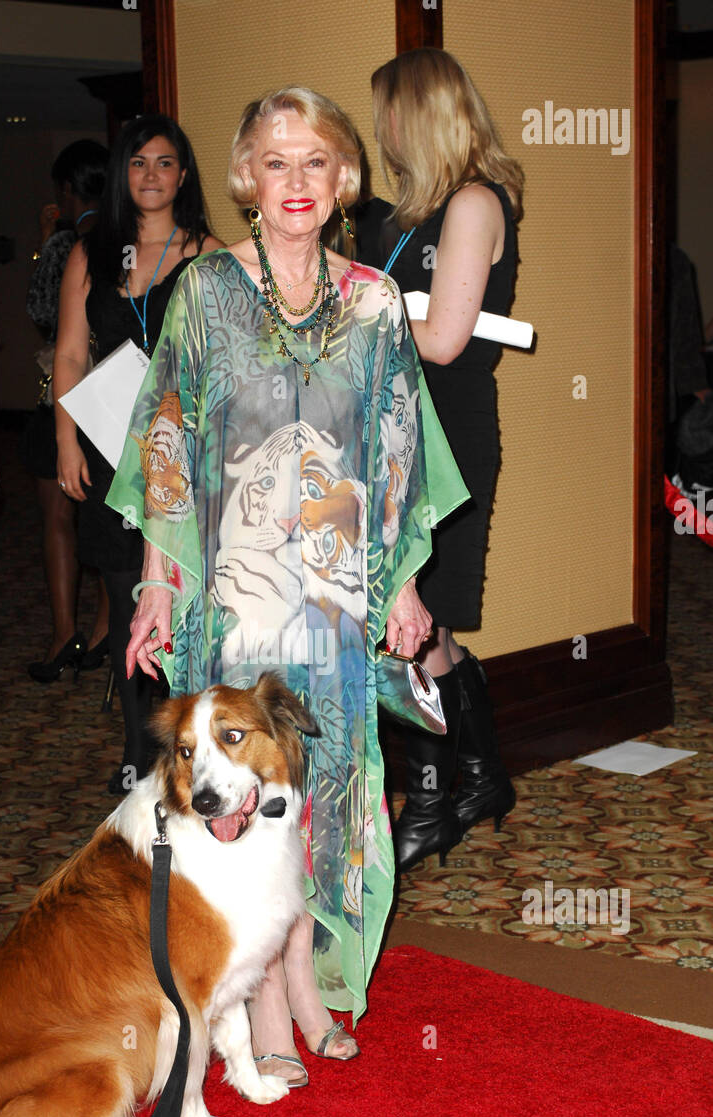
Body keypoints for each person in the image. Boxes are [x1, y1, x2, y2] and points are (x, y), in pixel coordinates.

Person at [105, 88, 467, 1082]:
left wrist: (400, 585)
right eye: (275, 162)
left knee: (331, 793)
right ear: (245, 179)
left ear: (341, 177)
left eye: (316, 162)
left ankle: (308, 974)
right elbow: (168, 451)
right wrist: (154, 586)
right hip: (235, 599)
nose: (296, 182)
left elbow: (396, 460)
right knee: (253, 799)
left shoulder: (374, 304)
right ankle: (267, 1000)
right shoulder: (207, 293)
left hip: (335, 602)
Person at [368, 47, 524, 871]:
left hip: (446, 435)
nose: (378, 128)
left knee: (416, 620)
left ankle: (432, 799)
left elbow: (442, 338)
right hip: (398, 432)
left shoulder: (471, 203)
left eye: (385, 111)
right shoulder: (405, 212)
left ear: (414, 114)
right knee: (419, 624)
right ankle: (476, 777)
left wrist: (355, 312)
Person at [54, 116, 221, 794]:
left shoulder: (210, 254)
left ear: (183, 174)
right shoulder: (90, 254)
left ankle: (202, 766)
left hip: (191, 463)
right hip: (112, 454)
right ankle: (140, 770)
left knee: (191, 613)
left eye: (165, 163)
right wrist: (65, 441)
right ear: (122, 174)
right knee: (129, 615)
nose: (151, 175)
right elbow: (69, 352)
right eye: (138, 163)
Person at [25, 139, 110, 682]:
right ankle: (105, 629)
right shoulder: (129, 239)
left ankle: (65, 634)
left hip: (66, 390)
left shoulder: (65, 245)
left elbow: (40, 312)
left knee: (59, 519)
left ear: (67, 188)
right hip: (116, 397)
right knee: (110, 514)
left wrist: (44, 239)